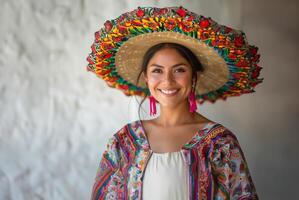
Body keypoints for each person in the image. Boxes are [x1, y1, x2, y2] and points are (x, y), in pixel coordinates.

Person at [86, 6, 262, 200]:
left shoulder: (220, 144)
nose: (168, 81)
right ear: (146, 78)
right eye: (157, 71)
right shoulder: (124, 143)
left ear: (194, 77)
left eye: (179, 70)